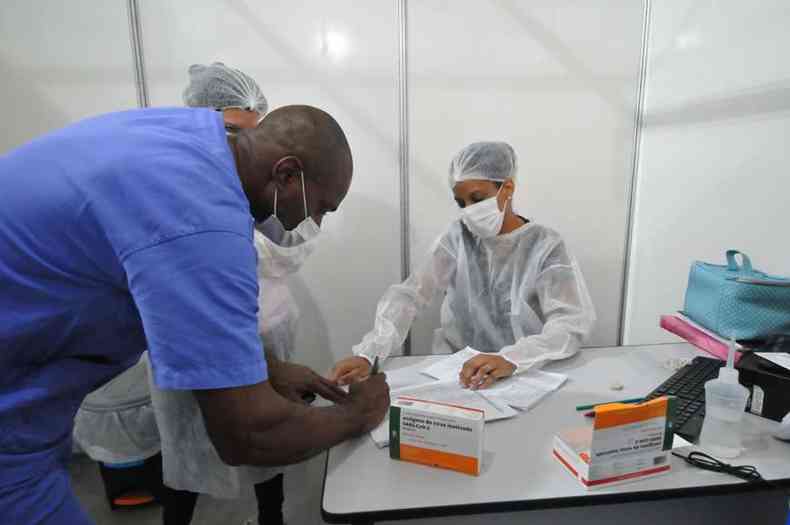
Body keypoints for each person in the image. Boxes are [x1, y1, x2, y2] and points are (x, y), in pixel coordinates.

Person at [0, 103, 390, 525]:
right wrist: (357, 415)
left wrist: (266, 368)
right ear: (286, 174)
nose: (314, 222)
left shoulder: (188, 140)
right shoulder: (203, 223)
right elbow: (249, 435)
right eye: (321, 208)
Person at [331, 141, 596, 390]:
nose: (468, 210)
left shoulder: (545, 244)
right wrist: (370, 353)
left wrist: (514, 358)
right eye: (461, 202)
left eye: (478, 198)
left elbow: (570, 322)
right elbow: (410, 295)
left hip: (524, 375)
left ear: (507, 189)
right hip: (458, 374)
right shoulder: (458, 237)